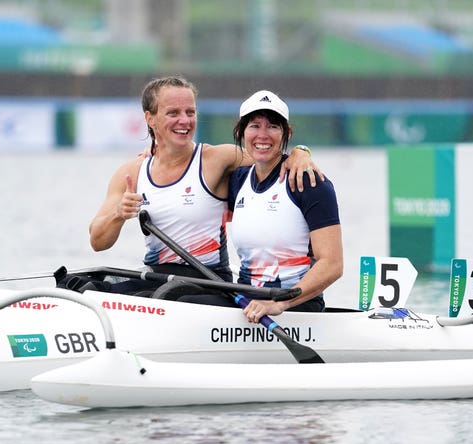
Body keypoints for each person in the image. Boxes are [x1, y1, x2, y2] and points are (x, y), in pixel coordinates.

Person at [79, 76, 324, 295]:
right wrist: (119, 214)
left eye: (190, 112)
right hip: (157, 275)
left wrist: (301, 152)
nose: (184, 121)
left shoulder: (217, 159)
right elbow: (98, 242)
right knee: (85, 286)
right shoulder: (131, 172)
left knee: (160, 297)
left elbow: (270, 154)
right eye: (173, 113)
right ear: (150, 118)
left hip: (208, 280)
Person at [181, 90, 343, 319]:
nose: (263, 135)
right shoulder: (237, 180)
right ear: (241, 132)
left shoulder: (311, 184)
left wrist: (279, 303)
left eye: (273, 127)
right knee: (182, 301)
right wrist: (156, 155)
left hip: (294, 306)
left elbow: (333, 264)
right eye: (255, 126)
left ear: (287, 133)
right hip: (247, 300)